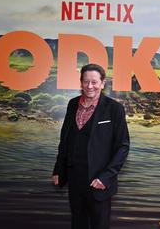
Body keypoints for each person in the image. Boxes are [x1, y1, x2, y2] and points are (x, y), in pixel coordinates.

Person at [52, 63, 130, 229]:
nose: (89, 86)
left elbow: (123, 146)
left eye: (94, 82)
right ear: (81, 83)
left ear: (102, 83)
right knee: (77, 223)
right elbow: (65, 140)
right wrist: (59, 169)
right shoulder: (72, 104)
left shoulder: (114, 109)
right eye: (86, 81)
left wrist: (106, 177)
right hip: (74, 179)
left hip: (98, 181)